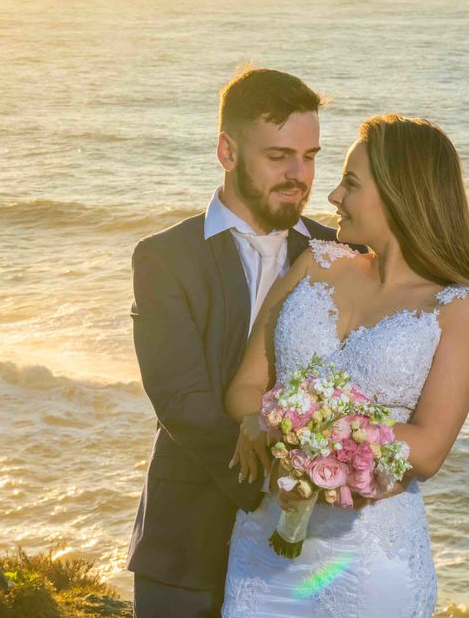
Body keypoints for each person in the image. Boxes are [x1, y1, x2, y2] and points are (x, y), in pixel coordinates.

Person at [221, 114, 469, 617]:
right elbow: (246, 385)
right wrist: (255, 418)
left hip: (369, 560)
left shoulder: (460, 308)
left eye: (350, 182)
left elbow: (429, 450)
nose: (332, 197)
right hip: (264, 548)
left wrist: (310, 422)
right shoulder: (315, 264)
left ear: (399, 193)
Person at [127, 68, 360, 618]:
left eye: (310, 156)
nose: (299, 175)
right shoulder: (165, 258)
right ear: (227, 151)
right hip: (187, 536)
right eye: (279, 156)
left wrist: (321, 485)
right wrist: (276, 485)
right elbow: (181, 401)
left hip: (311, 546)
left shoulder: (341, 254)